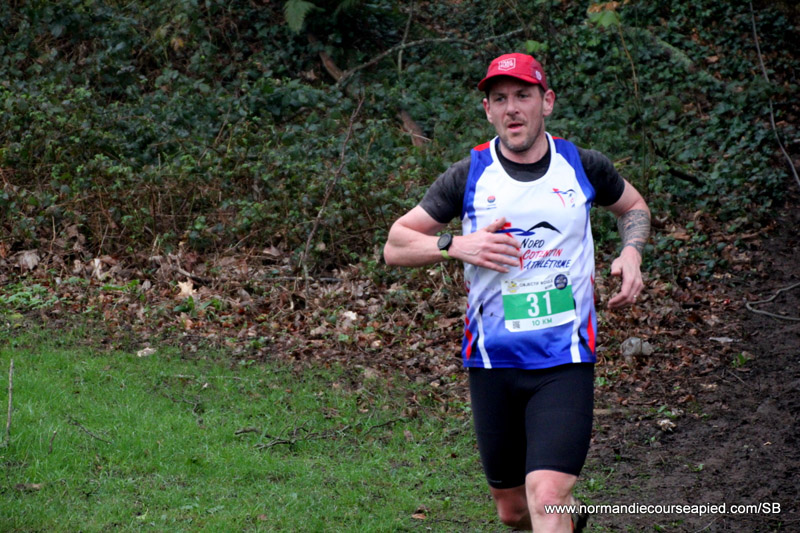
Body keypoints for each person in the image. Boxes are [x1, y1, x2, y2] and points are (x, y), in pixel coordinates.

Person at [383, 53, 650, 532]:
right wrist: (456, 244)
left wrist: (631, 252)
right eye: (500, 98)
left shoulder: (581, 166)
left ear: (546, 102)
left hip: (564, 360)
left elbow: (633, 206)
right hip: (493, 363)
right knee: (513, 511)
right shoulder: (469, 174)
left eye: (523, 95)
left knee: (547, 496)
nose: (512, 108)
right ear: (487, 110)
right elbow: (395, 245)